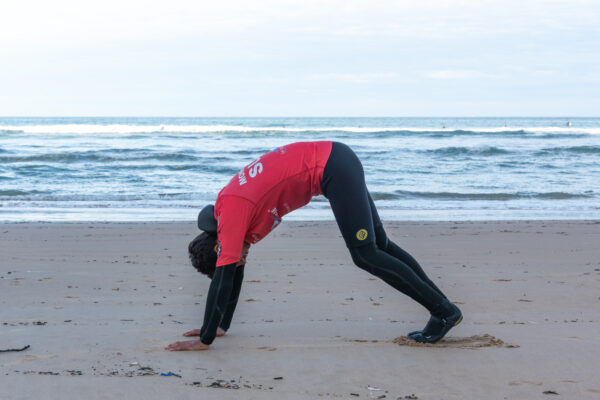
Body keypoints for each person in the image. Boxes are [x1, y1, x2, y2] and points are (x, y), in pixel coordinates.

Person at [165, 141, 462, 351]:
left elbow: (226, 275)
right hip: (337, 159)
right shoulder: (227, 211)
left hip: (333, 168)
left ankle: (443, 311)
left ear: (218, 248)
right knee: (380, 245)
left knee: (366, 254)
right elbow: (232, 273)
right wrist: (222, 326)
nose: (242, 260)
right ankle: (442, 309)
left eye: (234, 258)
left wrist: (205, 339)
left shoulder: (231, 213)